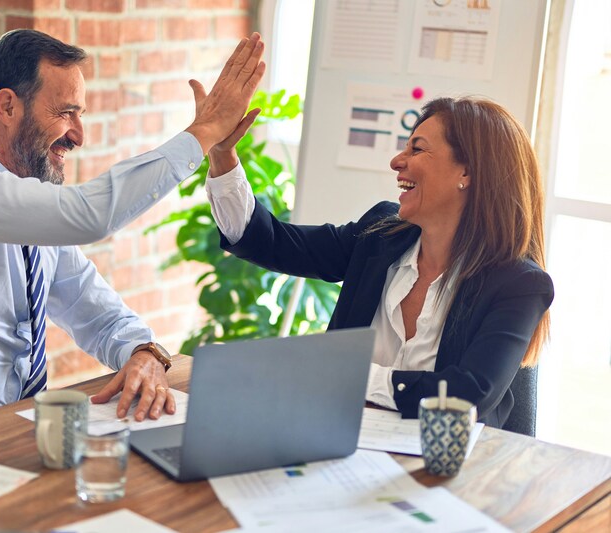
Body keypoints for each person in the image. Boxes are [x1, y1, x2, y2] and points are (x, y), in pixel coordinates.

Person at [0, 29, 265, 438]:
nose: (78, 135)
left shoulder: (36, 222)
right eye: (66, 112)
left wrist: (144, 352)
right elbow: (89, 215)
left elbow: (98, 313)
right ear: (8, 107)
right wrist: (204, 132)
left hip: (1, 446)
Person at [204, 96, 554, 428]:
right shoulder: (380, 235)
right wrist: (222, 154)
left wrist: (349, 374)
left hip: (449, 472)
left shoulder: (518, 284)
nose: (397, 161)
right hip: (340, 444)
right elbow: (272, 242)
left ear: (467, 173)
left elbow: (466, 397)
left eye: (417, 148)